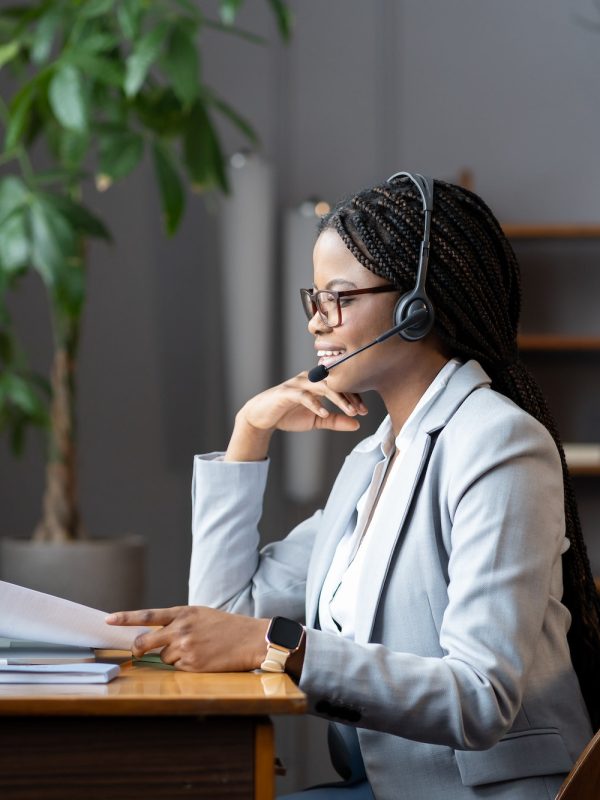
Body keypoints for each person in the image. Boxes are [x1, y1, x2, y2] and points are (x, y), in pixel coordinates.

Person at [107, 172, 600, 800]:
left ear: (417, 307)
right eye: (314, 297)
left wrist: (278, 645)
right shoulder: (373, 460)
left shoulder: (498, 444)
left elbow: (481, 698)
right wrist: (248, 432)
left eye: (340, 296)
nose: (317, 322)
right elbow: (227, 617)